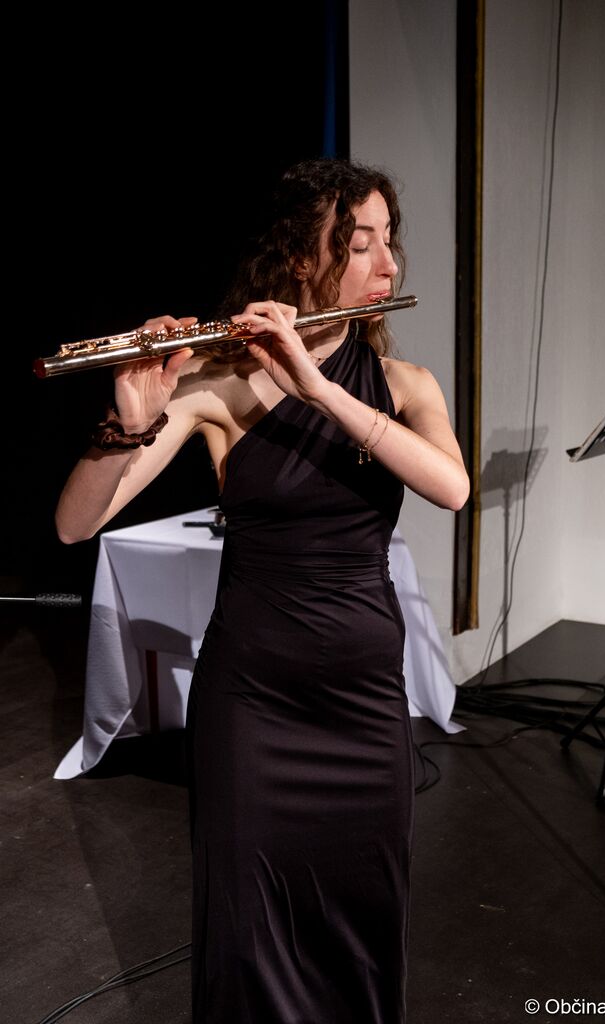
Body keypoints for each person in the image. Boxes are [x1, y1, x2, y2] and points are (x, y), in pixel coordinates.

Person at [56, 157, 470, 1023]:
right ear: (302, 258)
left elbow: (451, 487)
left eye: (389, 243)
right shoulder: (217, 385)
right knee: (250, 942)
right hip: (255, 707)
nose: (388, 265)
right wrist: (128, 421)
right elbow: (74, 525)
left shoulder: (405, 388)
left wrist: (316, 388)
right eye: (361, 244)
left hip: (363, 707)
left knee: (361, 928)